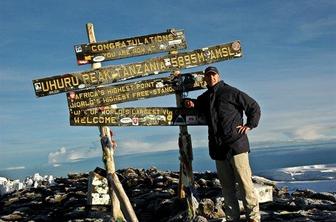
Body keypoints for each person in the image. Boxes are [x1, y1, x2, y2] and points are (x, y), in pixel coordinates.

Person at [184, 66, 261, 222]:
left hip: (237, 145)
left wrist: (250, 125)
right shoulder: (205, 97)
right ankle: (232, 218)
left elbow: (253, 106)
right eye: (208, 76)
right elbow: (197, 104)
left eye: (214, 75)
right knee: (227, 189)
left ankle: (253, 218)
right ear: (205, 78)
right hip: (218, 148)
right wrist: (189, 103)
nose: (211, 78)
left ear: (218, 76)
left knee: (245, 185)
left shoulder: (231, 92)